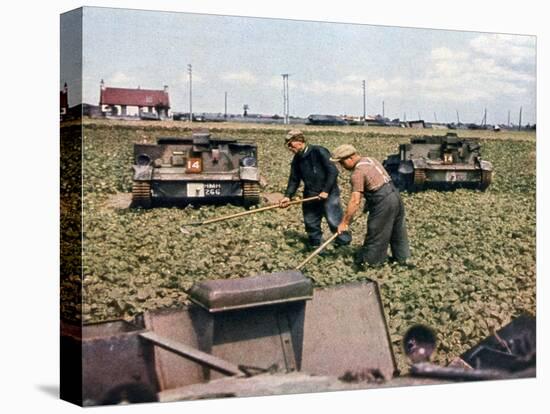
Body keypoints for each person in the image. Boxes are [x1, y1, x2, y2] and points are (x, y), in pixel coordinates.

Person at [330, 144, 410, 267]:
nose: (342, 166)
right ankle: (402, 259)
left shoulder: (358, 173)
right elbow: (376, 182)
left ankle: (371, 264)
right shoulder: (370, 160)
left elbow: (355, 200)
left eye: (342, 163)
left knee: (376, 232)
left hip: (383, 201)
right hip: (395, 195)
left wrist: (345, 222)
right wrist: (369, 203)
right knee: (397, 230)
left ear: (349, 158)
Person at [279, 130, 351, 249]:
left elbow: (333, 171)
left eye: (290, 144)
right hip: (310, 193)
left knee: (335, 220)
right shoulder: (297, 159)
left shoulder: (319, 151)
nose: (290, 148)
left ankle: (344, 245)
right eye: (288, 146)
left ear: (300, 141)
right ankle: (315, 244)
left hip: (329, 193)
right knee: (310, 221)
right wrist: (288, 196)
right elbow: (294, 179)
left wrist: (326, 191)